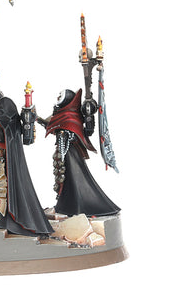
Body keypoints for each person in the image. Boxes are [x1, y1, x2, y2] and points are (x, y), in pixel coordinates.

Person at [0, 96, 54, 237]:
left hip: (6, 162)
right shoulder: (5, 122)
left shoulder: (12, 123)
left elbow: (8, 137)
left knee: (4, 189)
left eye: (0, 112)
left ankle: (6, 219)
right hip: (0, 159)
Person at [45, 89, 120, 217]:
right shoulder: (61, 114)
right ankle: (66, 205)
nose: (58, 97)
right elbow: (51, 125)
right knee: (65, 179)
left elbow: (75, 130)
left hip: (71, 153)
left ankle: (78, 206)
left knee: (73, 178)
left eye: (61, 96)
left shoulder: (70, 116)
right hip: (64, 154)